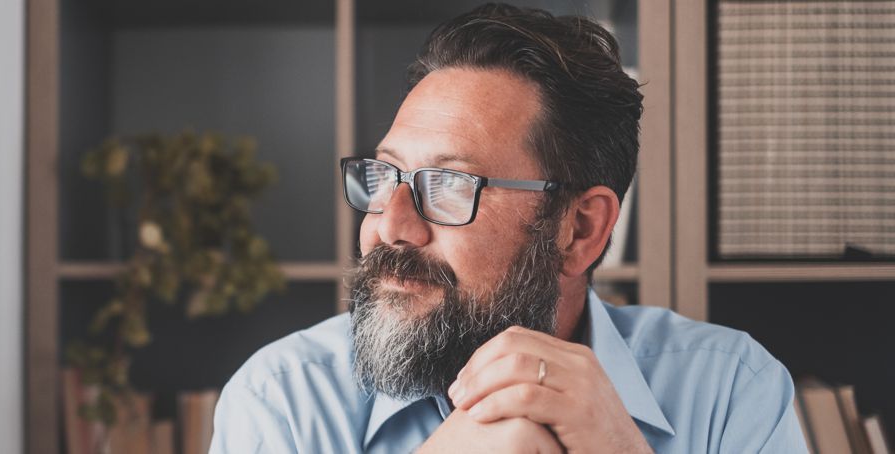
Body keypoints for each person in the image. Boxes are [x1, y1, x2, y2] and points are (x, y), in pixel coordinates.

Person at [209, 3, 808, 453]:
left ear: (577, 229)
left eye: (448, 186)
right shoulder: (282, 401)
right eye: (384, 175)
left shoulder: (731, 390)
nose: (388, 227)